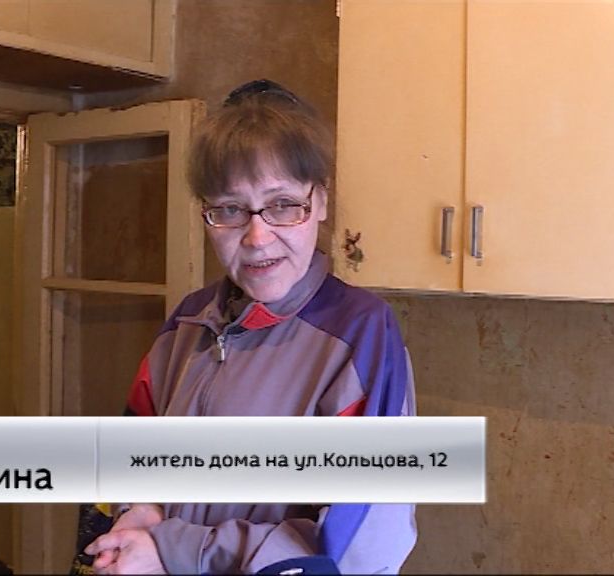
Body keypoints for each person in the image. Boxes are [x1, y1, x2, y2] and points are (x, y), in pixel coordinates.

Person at [83, 79, 417, 575]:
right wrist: (141, 507)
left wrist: (174, 549)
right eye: (230, 210)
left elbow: (359, 548)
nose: (258, 237)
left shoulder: (361, 334)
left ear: (320, 202)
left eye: (283, 204)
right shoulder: (188, 322)